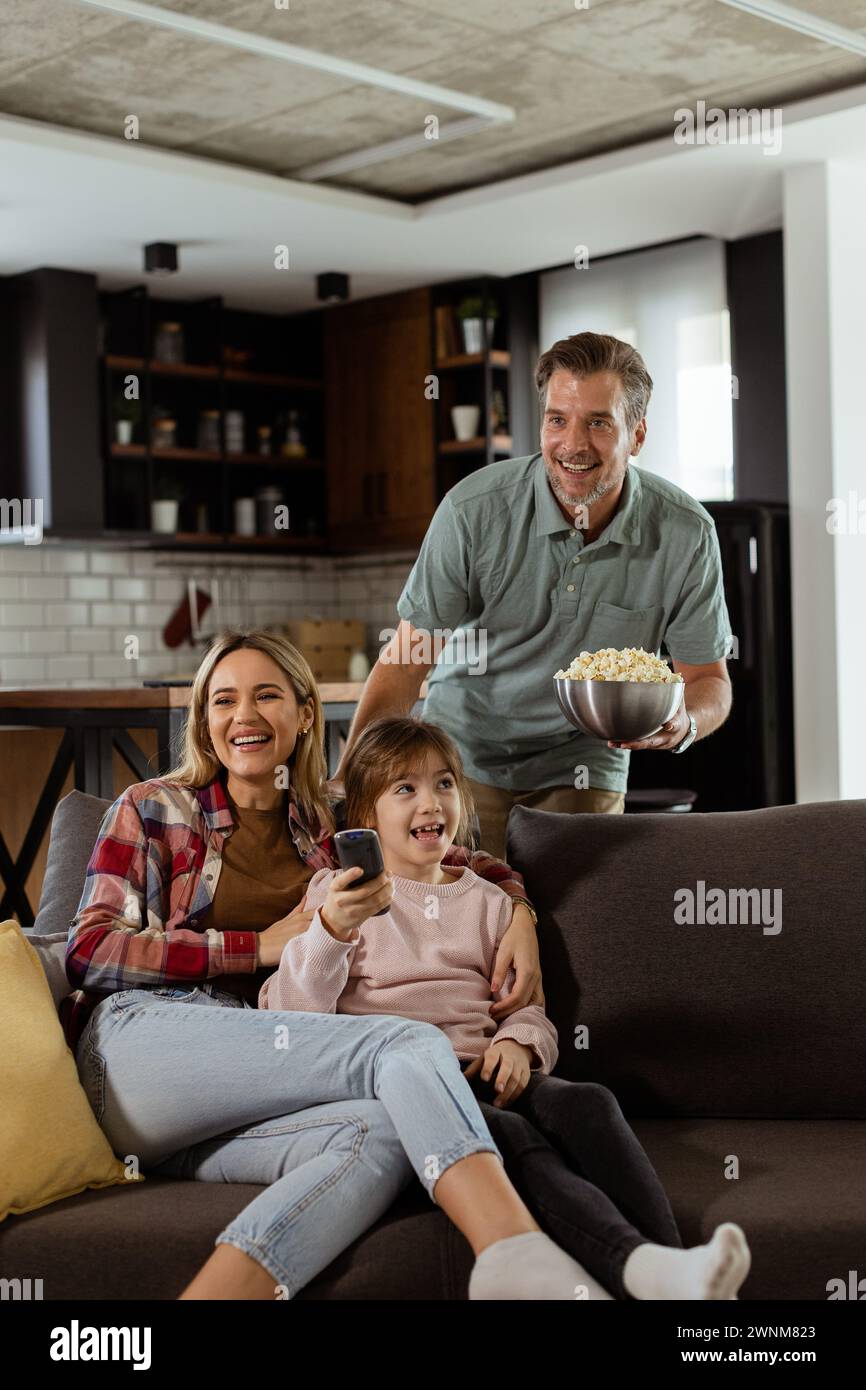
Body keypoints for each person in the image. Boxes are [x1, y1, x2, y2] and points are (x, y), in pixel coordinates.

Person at [64, 628, 597, 1300]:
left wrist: (519, 909)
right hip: (145, 1050)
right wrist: (256, 947)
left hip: (253, 1082)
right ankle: (514, 1255)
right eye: (222, 701)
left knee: (383, 1136)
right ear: (204, 722)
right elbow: (90, 951)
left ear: (306, 713)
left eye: (267, 696)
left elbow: (446, 852)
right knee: (404, 1043)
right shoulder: (152, 808)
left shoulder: (328, 830)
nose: (244, 716)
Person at [262, 713, 752, 1301]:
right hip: (411, 1091)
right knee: (514, 1139)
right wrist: (330, 932)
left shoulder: (491, 902)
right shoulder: (335, 899)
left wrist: (518, 1043)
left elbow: (525, 1007)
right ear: (366, 817)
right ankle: (644, 1270)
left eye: (444, 783)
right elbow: (291, 1014)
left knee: (588, 1103)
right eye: (405, 789)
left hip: (487, 1070)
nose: (431, 802)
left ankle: (673, 1267)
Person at [335, 331, 734, 859]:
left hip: (584, 761)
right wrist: (349, 782)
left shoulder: (685, 532)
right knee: (462, 921)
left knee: (573, 924)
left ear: (636, 435)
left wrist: (684, 722)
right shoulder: (473, 511)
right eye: (557, 419)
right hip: (462, 756)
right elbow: (410, 657)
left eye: (598, 422)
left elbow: (708, 680)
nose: (573, 444)